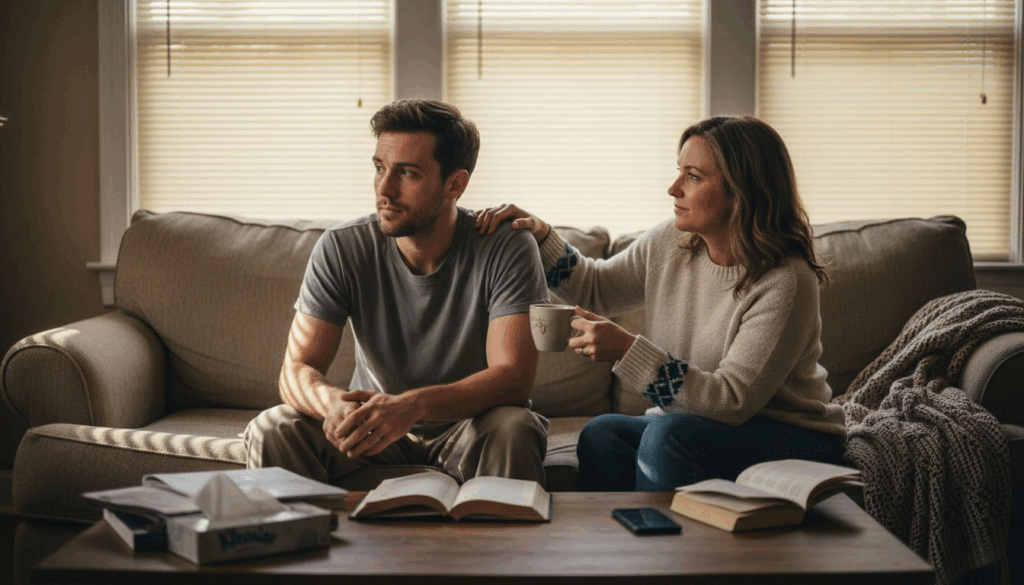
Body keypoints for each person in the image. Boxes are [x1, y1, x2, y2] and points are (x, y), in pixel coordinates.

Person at [473, 115, 846, 491]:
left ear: (742, 191)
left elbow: (732, 401)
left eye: (694, 177)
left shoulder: (786, 281)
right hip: (699, 425)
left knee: (668, 436)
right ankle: (620, 544)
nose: (673, 189)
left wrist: (626, 350)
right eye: (678, 172)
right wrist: (539, 233)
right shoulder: (672, 242)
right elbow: (596, 287)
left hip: (792, 435)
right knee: (601, 434)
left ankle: (664, 548)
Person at [244, 99, 550, 487]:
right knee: (274, 427)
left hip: (470, 429)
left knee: (513, 426)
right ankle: (295, 544)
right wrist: (333, 405)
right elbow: (296, 370)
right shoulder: (341, 247)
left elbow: (513, 378)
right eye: (379, 168)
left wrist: (414, 405)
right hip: (375, 431)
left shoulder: (505, 245)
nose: (384, 189)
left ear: (455, 184)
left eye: (407, 173)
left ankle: (502, 549)